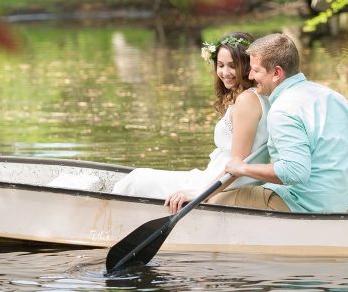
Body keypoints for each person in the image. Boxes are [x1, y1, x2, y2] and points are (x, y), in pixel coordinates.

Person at [113, 32, 269, 211]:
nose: (225, 73)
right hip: (212, 177)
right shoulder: (248, 97)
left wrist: (199, 194)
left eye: (232, 66)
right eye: (220, 65)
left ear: (247, 65)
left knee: (138, 180)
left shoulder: (247, 100)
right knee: (138, 178)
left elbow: (237, 166)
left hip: (221, 184)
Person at [219, 33, 348, 213]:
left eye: (256, 70)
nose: (250, 76)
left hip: (302, 206)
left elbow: (294, 171)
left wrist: (242, 168)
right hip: (338, 204)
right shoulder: (333, 97)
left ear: (276, 73)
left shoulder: (283, 109)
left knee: (213, 200)